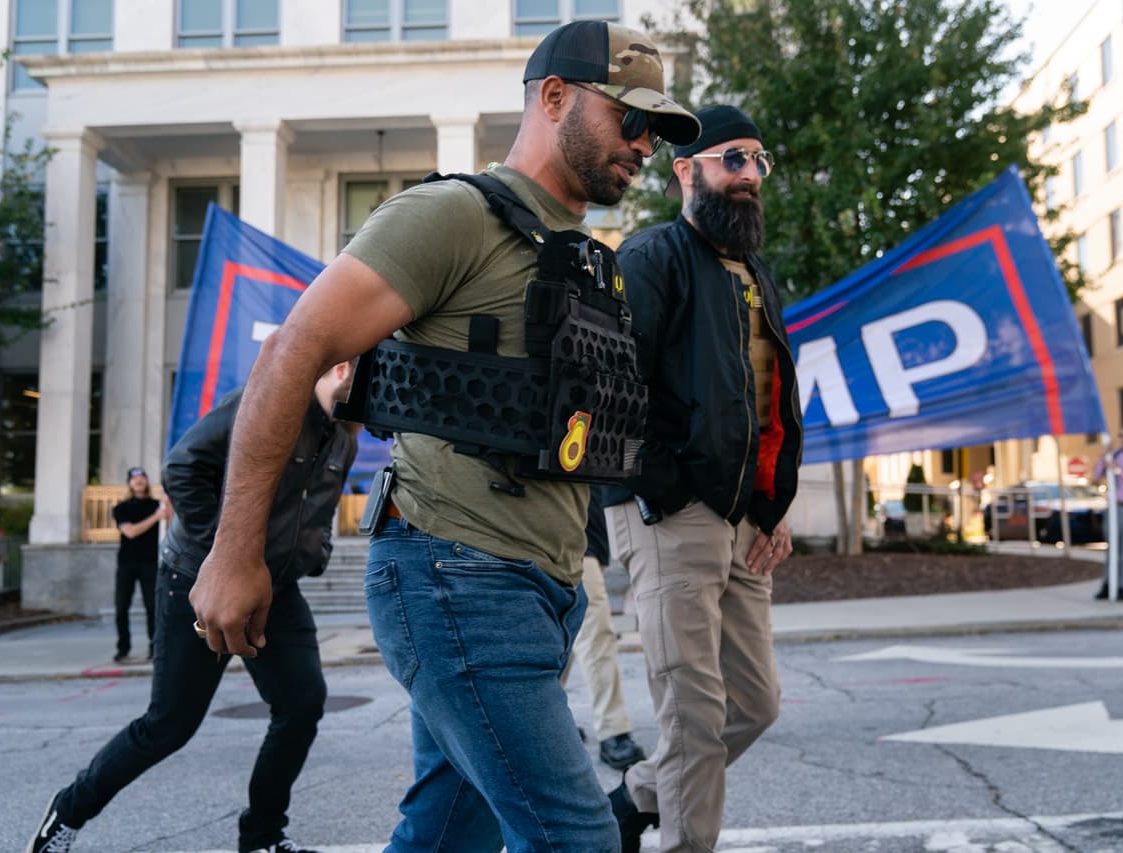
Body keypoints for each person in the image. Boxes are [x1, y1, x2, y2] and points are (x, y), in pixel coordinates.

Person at [183, 20, 699, 853]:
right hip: (458, 579)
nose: (643, 144)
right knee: (580, 839)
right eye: (629, 118)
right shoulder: (451, 216)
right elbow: (292, 351)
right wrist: (234, 549)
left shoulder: (580, 254)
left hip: (540, 592)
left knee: (449, 834)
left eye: (655, 128)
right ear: (555, 97)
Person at [27, 362, 359, 853]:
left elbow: (321, 508)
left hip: (275, 589)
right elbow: (182, 468)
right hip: (196, 578)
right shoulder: (268, 400)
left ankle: (262, 839)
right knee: (169, 725)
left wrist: (314, 553)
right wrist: (226, 559)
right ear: (343, 366)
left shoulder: (344, 437)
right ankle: (68, 811)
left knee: (302, 704)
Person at [601, 104, 804, 853]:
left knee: (753, 704)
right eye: (732, 160)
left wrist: (773, 504)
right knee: (692, 712)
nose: (749, 176)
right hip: (670, 513)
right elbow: (611, 391)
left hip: (744, 519)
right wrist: (666, 489)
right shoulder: (651, 259)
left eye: (758, 161)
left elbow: (771, 399)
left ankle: (636, 797)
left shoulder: (756, 273)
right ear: (687, 170)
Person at [564, 487, 647, 771]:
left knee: (587, 633)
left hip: (584, 537)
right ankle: (612, 731)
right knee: (579, 636)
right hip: (555, 531)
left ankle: (610, 729)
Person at [110, 466, 170, 662]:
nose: (139, 481)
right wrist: (156, 516)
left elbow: (171, 520)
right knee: (121, 607)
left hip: (150, 563)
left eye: (142, 477)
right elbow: (131, 532)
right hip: (127, 563)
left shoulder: (156, 505)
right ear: (129, 483)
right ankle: (123, 649)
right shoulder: (121, 508)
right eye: (134, 478)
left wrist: (167, 504)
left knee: (152, 607)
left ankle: (155, 648)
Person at [1093, 422, 1123, 601]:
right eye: (1121, 436)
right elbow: (1097, 475)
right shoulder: (1116, 455)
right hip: (1114, 508)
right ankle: (1107, 584)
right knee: (1112, 550)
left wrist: (1117, 471)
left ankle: (1121, 586)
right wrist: (1103, 456)